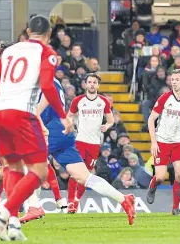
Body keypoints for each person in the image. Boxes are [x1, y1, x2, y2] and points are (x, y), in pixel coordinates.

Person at [0, 15, 73, 241]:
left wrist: (1, 104)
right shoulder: (46, 53)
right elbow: (47, 86)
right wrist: (63, 116)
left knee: (14, 169)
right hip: (22, 114)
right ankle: (2, 214)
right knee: (40, 171)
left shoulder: (10, 50)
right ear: (49, 34)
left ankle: (13, 224)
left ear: (28, 30)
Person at [36, 73, 135, 219]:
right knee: (84, 177)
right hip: (67, 134)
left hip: (50, 130)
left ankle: (35, 206)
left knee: (31, 166)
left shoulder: (43, 81)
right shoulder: (65, 89)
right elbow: (66, 113)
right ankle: (123, 199)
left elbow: (41, 106)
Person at [145, 69, 180, 216]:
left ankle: (175, 208)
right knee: (161, 177)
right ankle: (153, 185)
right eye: (172, 79)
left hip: (178, 141)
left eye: (177, 79)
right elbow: (151, 119)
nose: (174, 82)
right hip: (161, 141)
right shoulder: (164, 98)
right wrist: (153, 142)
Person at [65, 73, 116, 213]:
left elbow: (111, 120)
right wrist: (70, 126)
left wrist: (107, 126)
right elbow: (69, 116)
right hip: (80, 141)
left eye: (94, 82)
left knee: (86, 175)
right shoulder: (78, 101)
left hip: (94, 143)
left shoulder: (104, 101)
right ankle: (70, 202)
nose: (92, 84)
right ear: (85, 84)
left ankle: (76, 201)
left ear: (98, 85)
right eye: (90, 82)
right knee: (75, 173)